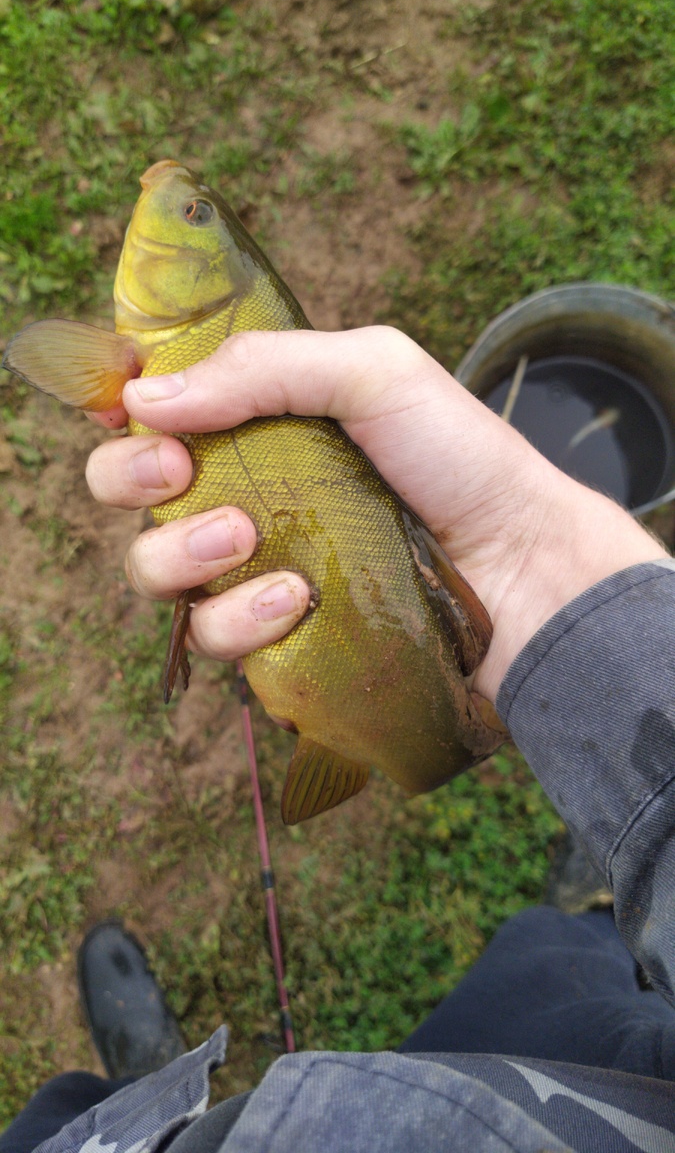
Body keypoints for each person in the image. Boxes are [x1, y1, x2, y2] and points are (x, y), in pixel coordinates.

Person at [2, 326, 674, 1153]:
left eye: (196, 216)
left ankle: (142, 1106)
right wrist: (530, 558)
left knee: (66, 1127)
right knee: (561, 977)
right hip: (604, 1074)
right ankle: (627, 889)